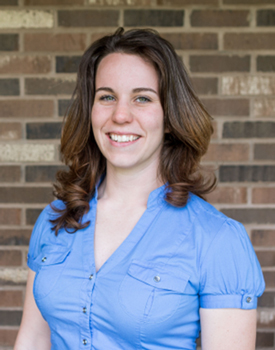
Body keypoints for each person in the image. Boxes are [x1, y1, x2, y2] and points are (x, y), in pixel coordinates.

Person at [14, 27, 265, 350]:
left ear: (170, 116)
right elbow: (33, 339)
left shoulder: (217, 240)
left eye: (142, 98)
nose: (120, 115)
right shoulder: (56, 219)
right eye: (106, 97)